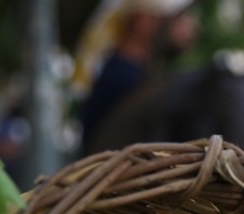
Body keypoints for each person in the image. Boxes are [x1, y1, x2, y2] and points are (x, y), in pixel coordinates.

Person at [74, 0, 198, 150]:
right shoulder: (121, 81)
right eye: (180, 17)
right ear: (143, 21)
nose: (192, 25)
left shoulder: (132, 75)